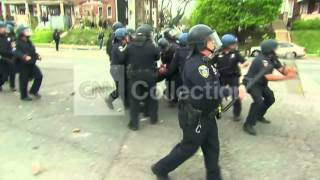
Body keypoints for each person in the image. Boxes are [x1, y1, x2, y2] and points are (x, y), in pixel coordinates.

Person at [151, 24, 223, 180]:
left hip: (208, 115)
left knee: (213, 150)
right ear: (201, 44)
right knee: (188, 148)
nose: (213, 42)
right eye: (210, 40)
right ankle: (160, 168)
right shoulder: (196, 65)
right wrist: (235, 91)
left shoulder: (206, 61)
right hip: (195, 117)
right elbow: (210, 90)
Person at [242, 39, 296, 135]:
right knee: (258, 102)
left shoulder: (272, 57)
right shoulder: (261, 59)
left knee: (270, 98)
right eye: (275, 48)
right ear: (270, 49)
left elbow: (280, 69)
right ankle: (248, 124)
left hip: (261, 83)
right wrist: (286, 77)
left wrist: (288, 70)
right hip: (252, 83)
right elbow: (269, 77)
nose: (276, 50)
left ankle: (258, 116)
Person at [120, 24, 160, 131]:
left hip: (135, 76)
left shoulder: (130, 46)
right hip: (149, 75)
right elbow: (157, 56)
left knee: (134, 100)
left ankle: (134, 124)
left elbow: (122, 58)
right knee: (152, 97)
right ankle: (153, 118)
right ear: (148, 35)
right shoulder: (151, 46)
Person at [213, 34, 249, 121]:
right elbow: (210, 63)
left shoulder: (235, 53)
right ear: (226, 45)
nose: (235, 45)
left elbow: (246, 62)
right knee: (218, 94)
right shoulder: (217, 53)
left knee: (236, 96)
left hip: (233, 77)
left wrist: (243, 65)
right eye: (232, 44)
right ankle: (218, 107)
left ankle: (236, 114)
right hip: (221, 76)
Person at [15, 25, 43, 101]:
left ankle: (33, 91)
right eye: (25, 31)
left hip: (31, 63)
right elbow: (16, 52)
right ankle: (23, 96)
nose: (27, 32)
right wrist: (23, 56)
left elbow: (32, 51)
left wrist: (37, 56)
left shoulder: (29, 41)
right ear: (21, 33)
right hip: (23, 64)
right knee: (24, 80)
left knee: (39, 76)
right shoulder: (17, 42)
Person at [105, 28, 129, 109]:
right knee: (121, 88)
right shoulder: (118, 47)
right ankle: (109, 99)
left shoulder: (119, 46)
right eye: (126, 36)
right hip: (116, 70)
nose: (127, 37)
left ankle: (127, 104)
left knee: (124, 86)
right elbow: (122, 58)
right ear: (121, 38)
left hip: (117, 69)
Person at [0, 21, 16, 92]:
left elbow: (13, 45)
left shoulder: (8, 37)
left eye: (4, 27)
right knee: (3, 75)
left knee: (12, 71)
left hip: (10, 57)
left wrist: (14, 49)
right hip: (2, 57)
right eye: (2, 28)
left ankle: (12, 86)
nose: (3, 29)